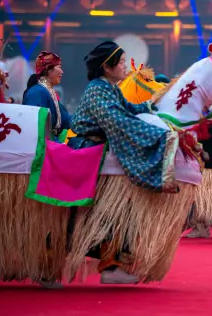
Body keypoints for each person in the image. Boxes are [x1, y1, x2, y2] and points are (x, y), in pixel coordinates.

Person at [66, 41, 179, 285]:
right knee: (105, 211)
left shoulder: (110, 88)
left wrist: (157, 104)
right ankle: (108, 264)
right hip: (88, 154)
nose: (125, 67)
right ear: (106, 67)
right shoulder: (98, 89)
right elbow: (118, 121)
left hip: (100, 153)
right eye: (121, 62)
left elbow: (131, 109)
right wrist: (160, 136)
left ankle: (113, 264)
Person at [22, 51, 71, 141]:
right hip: (43, 146)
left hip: (52, 142)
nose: (62, 71)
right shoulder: (36, 93)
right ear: (48, 69)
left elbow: (66, 119)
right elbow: (36, 128)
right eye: (59, 67)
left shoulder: (48, 92)